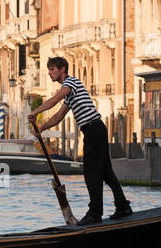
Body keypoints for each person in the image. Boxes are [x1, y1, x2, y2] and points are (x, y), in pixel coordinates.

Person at [30, 56, 132, 224]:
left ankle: (95, 213)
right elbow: (59, 115)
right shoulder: (70, 91)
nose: (49, 73)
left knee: (91, 172)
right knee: (106, 172)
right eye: (48, 70)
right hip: (95, 129)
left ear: (62, 69)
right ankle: (123, 207)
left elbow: (55, 100)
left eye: (52, 70)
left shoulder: (71, 83)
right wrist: (42, 128)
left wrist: (35, 112)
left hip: (93, 129)